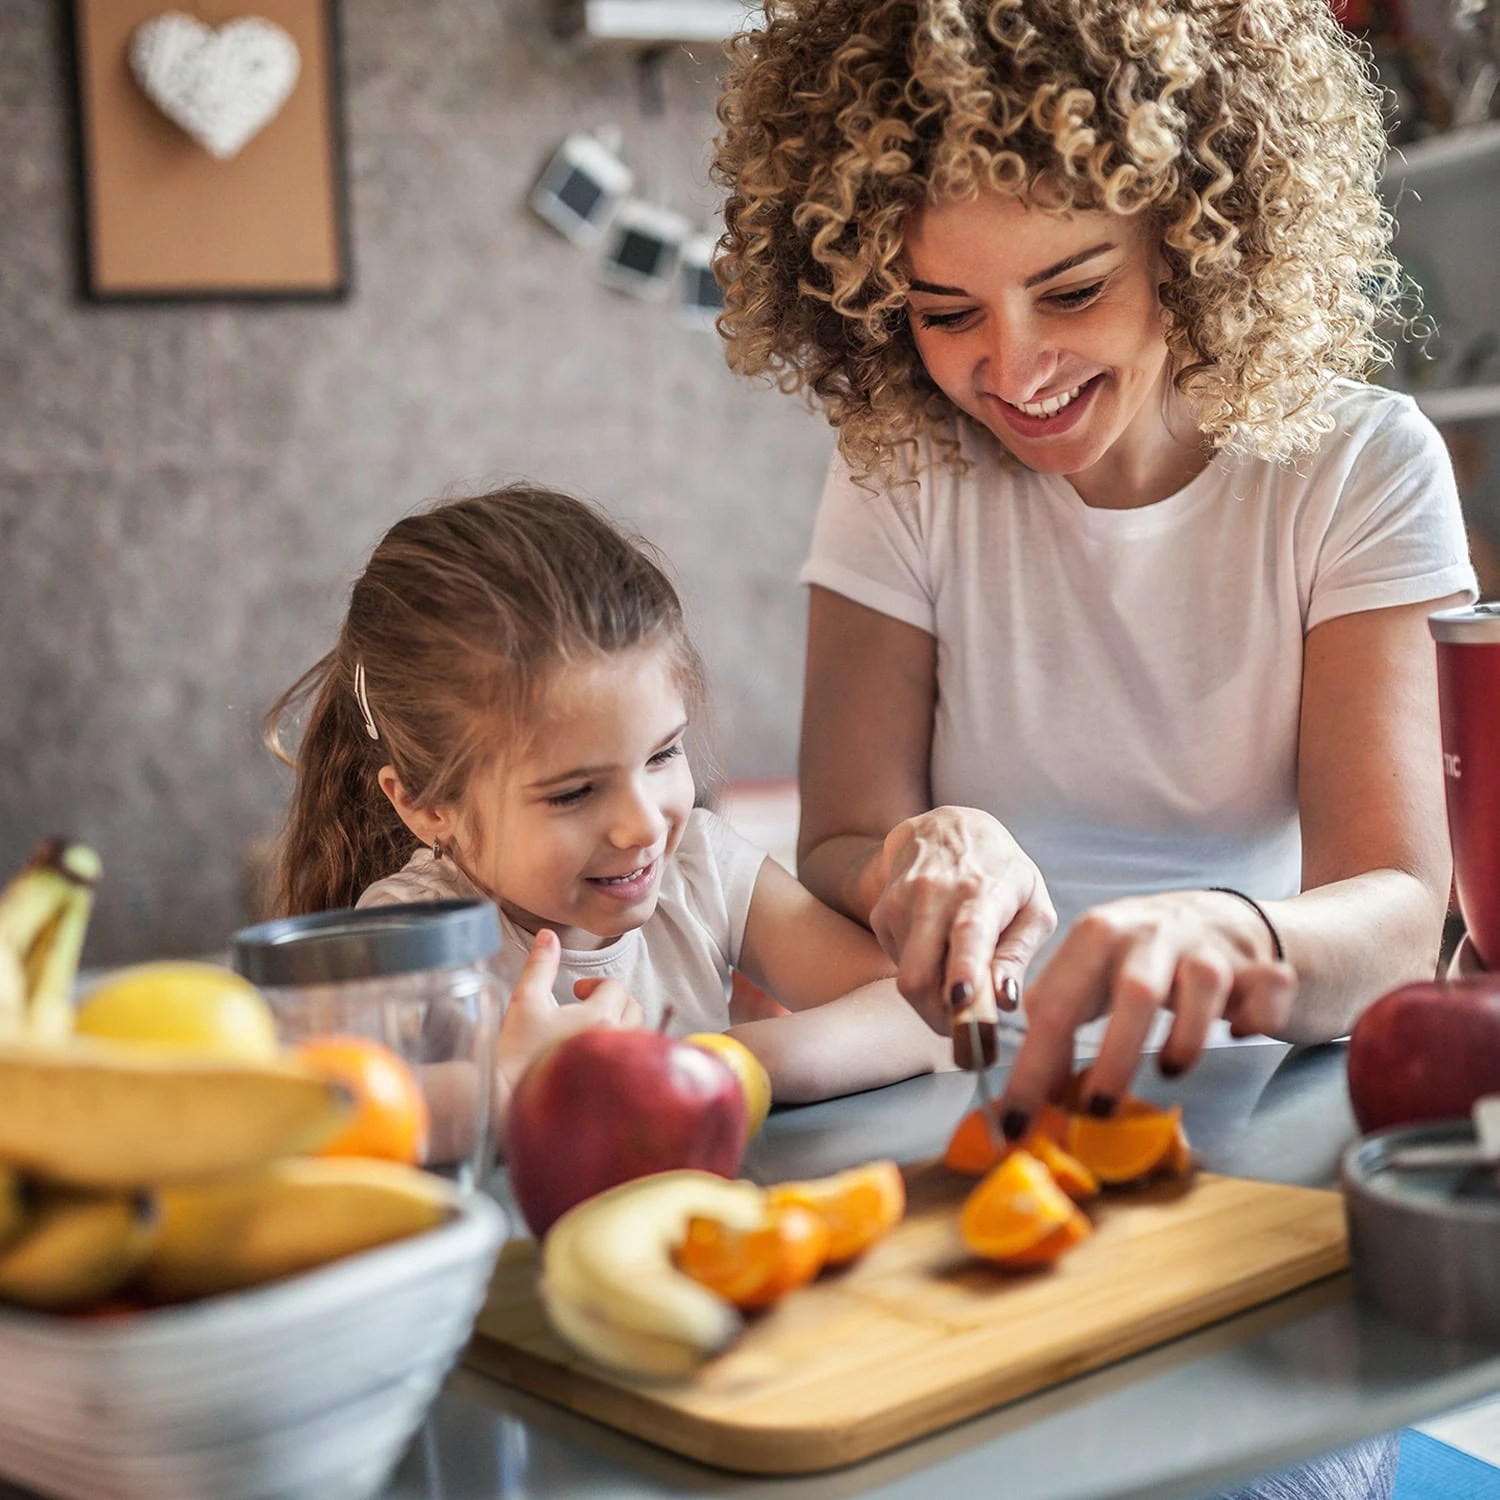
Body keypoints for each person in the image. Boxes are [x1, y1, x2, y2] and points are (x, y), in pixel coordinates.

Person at [712, 0, 1477, 1136]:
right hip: (963, 1087)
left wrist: (1224, 933)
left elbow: (1403, 912)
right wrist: (910, 862)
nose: (1012, 369)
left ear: (1195, 243)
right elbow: (837, 842)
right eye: (947, 312)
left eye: (1072, 291)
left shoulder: (1361, 470)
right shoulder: (906, 462)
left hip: (1259, 1080)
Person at [264, 484, 950, 1144]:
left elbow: (921, 1016)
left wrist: (696, 1068)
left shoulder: (701, 871)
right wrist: (513, 1084)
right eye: (573, 793)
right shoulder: (413, 937)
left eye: (662, 756)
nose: (644, 826)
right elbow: (318, 1115)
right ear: (424, 806)